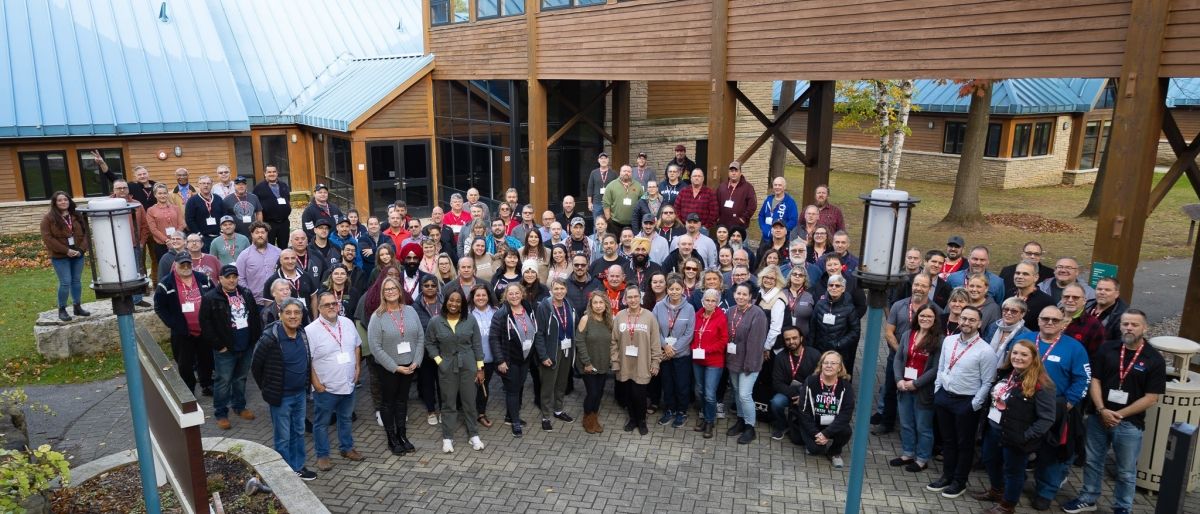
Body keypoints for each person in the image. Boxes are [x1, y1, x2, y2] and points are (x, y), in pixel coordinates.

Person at [1062, 309, 1165, 514]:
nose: (1129, 328)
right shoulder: (1107, 348)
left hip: (1129, 423)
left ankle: (1123, 507)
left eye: (1134, 324)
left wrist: (1119, 415)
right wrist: (1102, 409)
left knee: (1126, 470)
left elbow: (1151, 397)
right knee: (1092, 461)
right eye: (1125, 324)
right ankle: (1088, 497)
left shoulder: (1154, 359)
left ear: (1145, 328)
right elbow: (1095, 380)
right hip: (1098, 416)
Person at [975, 339, 1058, 514]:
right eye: (1015, 353)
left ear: (1034, 358)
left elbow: (1047, 419)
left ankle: (1008, 505)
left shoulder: (1043, 384)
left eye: (1024, 354)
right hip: (994, 430)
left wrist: (1025, 436)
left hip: (1017, 437)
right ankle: (997, 491)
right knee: (989, 460)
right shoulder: (1006, 373)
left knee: (1013, 471)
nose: (1018, 357)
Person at [928, 306, 997, 499]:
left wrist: (974, 404)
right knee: (948, 441)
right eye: (964, 318)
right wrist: (938, 390)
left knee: (964, 445)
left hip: (966, 402)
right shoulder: (949, 341)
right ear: (959, 320)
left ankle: (959, 482)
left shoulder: (986, 351)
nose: (966, 322)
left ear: (979, 323)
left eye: (972, 320)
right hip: (944, 397)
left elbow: (988, 382)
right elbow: (941, 367)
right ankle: (947, 476)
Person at [1028, 305, 1091, 510]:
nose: (1049, 323)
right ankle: (1013, 484)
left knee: (1052, 452)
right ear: (1038, 320)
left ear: (1063, 324)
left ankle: (1045, 492)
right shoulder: (1026, 339)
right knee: (1019, 446)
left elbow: (1083, 379)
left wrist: (1068, 404)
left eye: (1055, 320)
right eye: (1045, 318)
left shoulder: (1075, 348)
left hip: (1057, 408)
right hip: (1025, 405)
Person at [250, 298, 316, 480]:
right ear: (280, 315)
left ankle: (298, 467)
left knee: (299, 432)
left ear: (302, 315)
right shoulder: (270, 338)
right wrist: (268, 389)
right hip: (281, 398)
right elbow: (256, 366)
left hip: (300, 395)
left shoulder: (303, 334)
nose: (293, 316)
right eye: (288, 313)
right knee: (283, 437)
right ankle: (285, 474)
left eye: (297, 312)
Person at [876, 272, 942, 435]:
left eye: (923, 286)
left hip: (922, 362)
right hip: (897, 358)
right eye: (916, 284)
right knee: (891, 389)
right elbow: (889, 332)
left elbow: (937, 336)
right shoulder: (898, 306)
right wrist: (903, 352)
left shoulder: (936, 310)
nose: (919, 288)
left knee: (918, 394)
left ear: (929, 288)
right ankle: (887, 423)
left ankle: (911, 427)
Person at [199, 264, 262, 430]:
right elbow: (205, 324)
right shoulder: (211, 297)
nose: (232, 280)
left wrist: (254, 339)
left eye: (234, 277)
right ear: (220, 278)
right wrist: (219, 345)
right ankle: (221, 413)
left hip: (246, 345)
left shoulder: (246, 293)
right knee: (223, 381)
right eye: (228, 277)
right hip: (225, 348)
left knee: (241, 378)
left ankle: (239, 406)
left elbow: (255, 316)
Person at [366, 277, 424, 455]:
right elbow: (375, 347)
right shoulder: (377, 317)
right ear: (382, 294)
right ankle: (392, 438)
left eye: (393, 288)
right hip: (388, 368)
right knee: (388, 402)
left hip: (410, 365)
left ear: (400, 291)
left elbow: (420, 337)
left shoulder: (410, 311)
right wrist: (394, 367)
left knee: (402, 401)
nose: (390, 291)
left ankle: (402, 435)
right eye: (387, 289)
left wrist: (417, 360)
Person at [306, 291, 364, 471]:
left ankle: (347, 448)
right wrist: (316, 384)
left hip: (348, 383)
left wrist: (357, 368)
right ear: (319, 307)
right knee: (321, 423)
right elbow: (308, 360)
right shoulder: (311, 330)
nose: (331, 307)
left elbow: (356, 346)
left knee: (345, 418)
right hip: (326, 387)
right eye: (327, 304)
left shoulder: (347, 323)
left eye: (334, 303)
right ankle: (322, 455)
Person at [426, 289, 486, 453]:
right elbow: (429, 343)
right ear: (445, 301)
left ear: (463, 304)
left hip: (468, 365)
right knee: (448, 403)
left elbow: (477, 345)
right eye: (451, 300)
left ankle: (473, 434)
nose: (454, 304)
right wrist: (439, 361)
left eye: (458, 301)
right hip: (447, 366)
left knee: (470, 402)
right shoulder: (435, 321)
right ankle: (448, 437)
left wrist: (480, 368)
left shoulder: (470, 319)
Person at [891, 305, 943, 472]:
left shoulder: (939, 340)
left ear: (935, 319)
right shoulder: (908, 334)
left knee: (923, 427)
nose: (925, 319)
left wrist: (916, 383)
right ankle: (908, 453)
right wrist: (899, 379)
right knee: (906, 423)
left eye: (929, 316)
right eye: (922, 316)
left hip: (923, 390)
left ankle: (922, 459)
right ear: (917, 317)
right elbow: (899, 359)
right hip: (904, 387)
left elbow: (936, 368)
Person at [154, 253, 215, 394]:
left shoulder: (203, 278)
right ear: (175, 265)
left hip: (203, 330)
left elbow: (213, 297)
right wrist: (174, 324)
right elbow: (159, 307)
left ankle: (207, 384)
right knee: (185, 364)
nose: (186, 267)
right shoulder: (165, 284)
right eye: (182, 264)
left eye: (188, 264)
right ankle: (189, 390)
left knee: (206, 359)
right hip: (182, 332)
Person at [611, 285, 662, 435]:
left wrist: (655, 362)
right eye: (630, 297)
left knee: (639, 394)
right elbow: (614, 342)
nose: (633, 300)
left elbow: (655, 342)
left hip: (642, 363)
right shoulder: (620, 316)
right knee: (628, 393)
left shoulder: (649, 317)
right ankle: (632, 419)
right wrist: (615, 361)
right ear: (625, 299)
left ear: (640, 298)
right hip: (624, 363)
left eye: (636, 297)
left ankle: (642, 420)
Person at [722, 282, 769, 444]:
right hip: (733, 360)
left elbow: (757, 343)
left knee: (744, 394)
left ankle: (750, 427)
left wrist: (750, 365)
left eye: (744, 294)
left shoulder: (757, 314)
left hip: (750, 363)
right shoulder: (730, 311)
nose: (740, 297)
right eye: (738, 293)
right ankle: (741, 420)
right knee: (736, 392)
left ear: (750, 297)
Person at [795, 351, 855, 468]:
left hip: (832, 424)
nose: (829, 366)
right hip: (813, 424)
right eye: (826, 363)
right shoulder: (810, 382)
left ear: (839, 368)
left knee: (846, 431)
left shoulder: (845, 386)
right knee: (816, 450)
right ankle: (814, 443)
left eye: (833, 363)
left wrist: (826, 433)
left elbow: (846, 414)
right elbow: (803, 411)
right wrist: (816, 433)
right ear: (821, 365)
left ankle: (834, 453)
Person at [491, 283, 536, 437]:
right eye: (511, 293)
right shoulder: (501, 314)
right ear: (506, 296)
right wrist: (500, 360)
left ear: (522, 294)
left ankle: (510, 416)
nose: (514, 296)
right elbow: (494, 339)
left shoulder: (528, 308)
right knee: (512, 390)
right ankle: (515, 422)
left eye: (517, 293)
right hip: (509, 359)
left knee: (519, 386)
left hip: (525, 358)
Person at [532, 278, 576, 431]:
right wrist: (543, 356)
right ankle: (545, 416)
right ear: (551, 290)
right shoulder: (544, 307)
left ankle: (558, 410)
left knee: (562, 382)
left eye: (562, 288)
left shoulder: (569, 304)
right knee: (548, 385)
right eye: (556, 289)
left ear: (566, 290)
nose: (559, 291)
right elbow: (539, 333)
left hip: (567, 349)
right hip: (552, 350)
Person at [42, 191, 91, 321]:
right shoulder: (48, 219)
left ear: (69, 201)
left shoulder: (77, 215)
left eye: (65, 199)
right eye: (59, 200)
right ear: (55, 203)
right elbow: (48, 239)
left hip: (78, 255)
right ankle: (62, 309)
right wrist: (66, 251)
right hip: (60, 257)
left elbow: (86, 233)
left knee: (76, 281)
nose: (63, 202)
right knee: (65, 282)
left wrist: (81, 250)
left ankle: (77, 306)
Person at [653, 277, 695, 429]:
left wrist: (673, 349)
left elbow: (689, 333)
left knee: (682, 385)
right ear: (667, 290)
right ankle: (670, 410)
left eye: (678, 289)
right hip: (665, 354)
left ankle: (681, 412)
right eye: (671, 289)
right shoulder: (658, 306)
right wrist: (665, 346)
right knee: (667, 384)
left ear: (683, 290)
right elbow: (655, 329)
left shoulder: (689, 308)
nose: (674, 292)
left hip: (681, 355)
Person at [768, 325, 818, 441]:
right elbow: (777, 383)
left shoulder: (814, 355)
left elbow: (818, 381)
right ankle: (782, 425)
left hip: (809, 394)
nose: (791, 342)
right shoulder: (780, 357)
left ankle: (808, 429)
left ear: (801, 338)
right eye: (787, 339)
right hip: (788, 392)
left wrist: (803, 396)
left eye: (794, 338)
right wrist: (795, 394)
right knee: (776, 402)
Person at [811, 275, 861, 373]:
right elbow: (813, 327)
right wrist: (811, 348)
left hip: (839, 352)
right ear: (827, 287)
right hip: (819, 350)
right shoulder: (820, 304)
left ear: (843, 289)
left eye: (837, 286)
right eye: (831, 285)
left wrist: (839, 344)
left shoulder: (849, 308)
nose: (834, 288)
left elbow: (855, 331)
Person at [146, 183, 182, 281]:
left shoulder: (175, 208)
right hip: (161, 245)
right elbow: (153, 229)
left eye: (165, 193)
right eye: (160, 193)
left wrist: (174, 239)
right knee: (165, 269)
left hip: (177, 244)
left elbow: (181, 224)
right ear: (155, 195)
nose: (163, 195)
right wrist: (167, 240)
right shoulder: (151, 210)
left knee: (179, 266)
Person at [1008, 260, 1056, 331]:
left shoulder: (1047, 302)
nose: (1019, 276)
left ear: (1036, 277)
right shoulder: (1009, 294)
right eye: (1017, 273)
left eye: (1025, 274)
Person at [1061, 283, 1107, 354]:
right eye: (1066, 297)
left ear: (1084, 301)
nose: (1070, 300)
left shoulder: (1094, 325)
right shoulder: (1050, 318)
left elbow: (1097, 355)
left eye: (1075, 297)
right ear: (1061, 299)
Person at [253, 165, 292, 249]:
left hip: (284, 222)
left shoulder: (284, 185)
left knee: (284, 247)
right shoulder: (259, 188)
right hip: (268, 223)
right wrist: (260, 224)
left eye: (274, 172)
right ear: (265, 174)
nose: (272, 174)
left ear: (277, 173)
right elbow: (256, 208)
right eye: (269, 172)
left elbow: (288, 200)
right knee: (268, 247)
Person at [989, 297, 1036, 365]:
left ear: (1022, 314)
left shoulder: (1027, 334)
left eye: (1014, 311)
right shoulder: (993, 326)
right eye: (1006, 309)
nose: (1008, 313)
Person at [184, 175, 225, 247]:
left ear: (212, 185)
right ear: (198, 185)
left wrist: (222, 231)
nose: (206, 185)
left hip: (219, 236)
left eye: (208, 183)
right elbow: (189, 219)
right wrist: (198, 234)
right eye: (203, 183)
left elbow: (224, 215)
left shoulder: (218, 199)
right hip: (202, 238)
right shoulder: (192, 201)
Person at [758, 176, 799, 246]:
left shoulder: (790, 202)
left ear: (784, 187)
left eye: (780, 185)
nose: (777, 187)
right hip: (766, 238)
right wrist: (764, 228)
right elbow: (761, 215)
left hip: (781, 240)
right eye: (775, 185)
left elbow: (793, 220)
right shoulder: (768, 199)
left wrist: (782, 230)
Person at [715, 161, 756, 230]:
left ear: (740, 173)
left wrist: (743, 219)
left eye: (736, 171)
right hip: (723, 225)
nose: (733, 173)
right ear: (728, 173)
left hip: (739, 226)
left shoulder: (748, 187)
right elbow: (715, 203)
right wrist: (718, 218)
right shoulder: (722, 187)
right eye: (731, 171)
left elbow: (752, 206)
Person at [603, 165, 644, 235]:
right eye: (624, 171)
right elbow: (606, 204)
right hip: (615, 224)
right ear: (620, 172)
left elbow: (642, 203)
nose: (626, 173)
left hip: (633, 224)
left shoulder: (638, 186)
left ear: (631, 173)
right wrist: (609, 220)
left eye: (629, 171)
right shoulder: (611, 185)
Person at [1084, 277, 1127, 342]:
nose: (1102, 292)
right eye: (1099, 289)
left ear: (1116, 294)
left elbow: (1119, 343)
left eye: (1107, 290)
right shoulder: (1086, 305)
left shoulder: (1123, 316)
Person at [586, 152, 614, 220]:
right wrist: (589, 203)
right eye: (601, 158)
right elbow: (590, 188)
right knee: (597, 223)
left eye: (605, 158)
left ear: (608, 160)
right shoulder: (593, 173)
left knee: (609, 222)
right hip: (597, 203)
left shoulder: (613, 173)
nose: (603, 160)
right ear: (598, 160)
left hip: (610, 203)